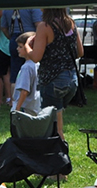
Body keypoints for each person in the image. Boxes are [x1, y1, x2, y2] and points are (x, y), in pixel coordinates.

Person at [25, 8, 83, 140]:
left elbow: (36, 57)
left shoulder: (44, 26)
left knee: (55, 128)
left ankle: (60, 155)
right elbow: (80, 52)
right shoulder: (71, 24)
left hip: (53, 80)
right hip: (71, 80)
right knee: (57, 117)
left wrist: (28, 45)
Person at [0, 9, 44, 92]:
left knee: (15, 72)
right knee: (34, 68)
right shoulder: (32, 5)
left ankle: (14, 100)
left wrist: (11, 38)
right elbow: (39, 24)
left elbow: (3, 28)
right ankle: (33, 95)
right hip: (30, 39)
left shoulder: (7, 7)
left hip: (14, 38)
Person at [11, 31, 41, 115]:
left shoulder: (26, 68)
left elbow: (24, 91)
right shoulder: (37, 64)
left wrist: (17, 109)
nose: (17, 49)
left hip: (25, 109)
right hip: (35, 107)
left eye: (20, 47)